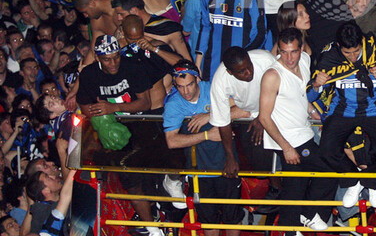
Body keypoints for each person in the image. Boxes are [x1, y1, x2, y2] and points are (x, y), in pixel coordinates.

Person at [307, 22, 376, 209]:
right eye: (348, 53)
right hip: (342, 110)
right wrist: (316, 84)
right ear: (339, 47)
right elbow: (309, 96)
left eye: (357, 51)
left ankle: (370, 182)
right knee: (326, 151)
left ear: (362, 42)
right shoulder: (329, 55)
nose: (354, 57)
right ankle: (354, 181)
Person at [76, 35, 156, 235]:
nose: (113, 63)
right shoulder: (89, 74)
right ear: (97, 58)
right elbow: (84, 106)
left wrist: (114, 108)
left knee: (151, 174)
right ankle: (152, 228)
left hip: (141, 125)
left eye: (116, 57)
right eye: (107, 59)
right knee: (130, 179)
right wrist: (101, 116)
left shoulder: (132, 67)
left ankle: (156, 216)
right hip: (113, 133)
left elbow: (145, 103)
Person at [258, 28, 334, 232]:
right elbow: (264, 117)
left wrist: (312, 111)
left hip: (304, 133)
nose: (289, 58)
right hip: (290, 140)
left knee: (295, 187)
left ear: (301, 49)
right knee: (329, 169)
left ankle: (290, 228)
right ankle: (309, 213)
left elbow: (300, 95)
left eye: (293, 52)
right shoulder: (272, 75)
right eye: (283, 52)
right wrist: (286, 147)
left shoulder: (305, 61)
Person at [162, 62, 242, 236]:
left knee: (232, 218)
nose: (186, 91)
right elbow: (172, 141)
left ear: (198, 79)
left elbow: (246, 109)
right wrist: (207, 135)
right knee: (208, 220)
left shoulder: (214, 88)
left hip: (227, 165)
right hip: (199, 172)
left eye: (190, 84)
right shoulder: (174, 103)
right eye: (180, 87)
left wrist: (210, 116)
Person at [195, 0, 272, 80]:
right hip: (212, 65)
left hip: (241, 67)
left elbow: (259, 34)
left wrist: (241, 61)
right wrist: (198, 64)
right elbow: (205, 28)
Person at [209, 47, 277, 178]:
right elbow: (223, 121)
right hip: (249, 115)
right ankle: (271, 184)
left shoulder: (265, 60)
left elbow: (284, 91)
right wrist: (230, 157)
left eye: (249, 66)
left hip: (276, 108)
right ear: (230, 72)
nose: (249, 72)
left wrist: (263, 116)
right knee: (258, 161)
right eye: (241, 71)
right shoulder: (220, 81)